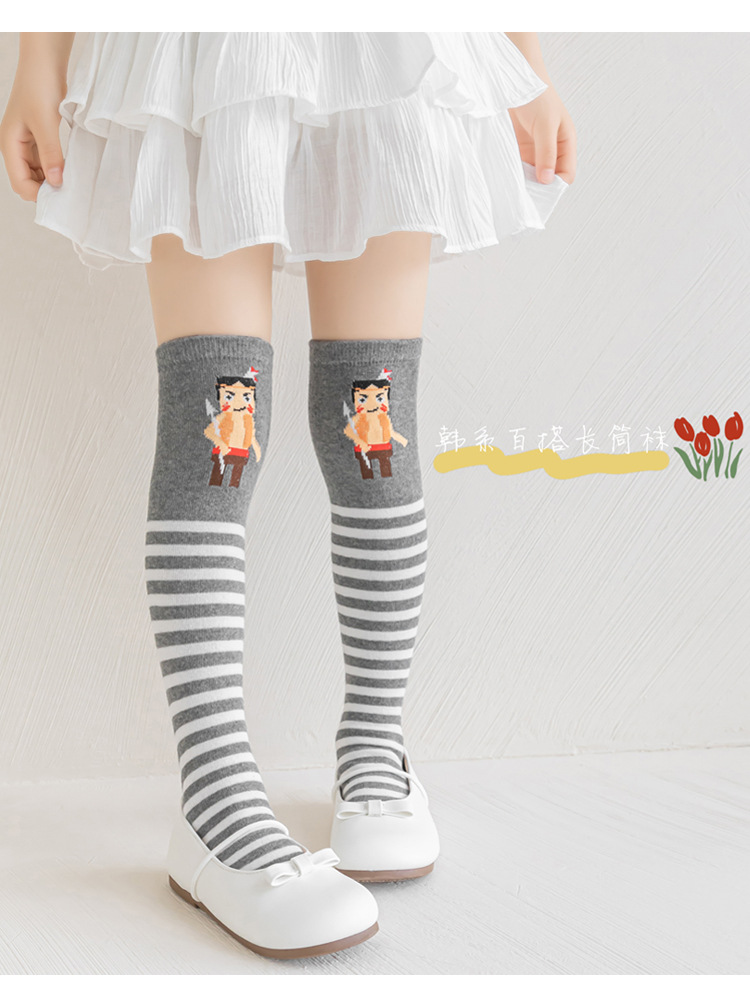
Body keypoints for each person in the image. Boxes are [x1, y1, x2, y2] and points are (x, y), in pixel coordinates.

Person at [0, 31, 576, 960]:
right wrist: (38, 52)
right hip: (199, 45)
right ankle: (215, 796)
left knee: (373, 419)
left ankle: (375, 748)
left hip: (388, 45)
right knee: (213, 417)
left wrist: (524, 57)